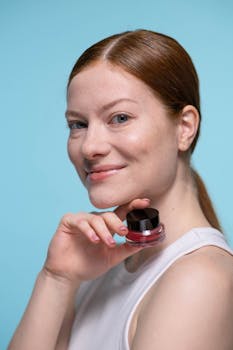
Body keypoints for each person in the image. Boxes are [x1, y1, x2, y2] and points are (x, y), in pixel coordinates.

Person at [8, 29, 233, 350]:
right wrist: (55, 279)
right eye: (78, 124)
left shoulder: (198, 280)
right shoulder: (95, 269)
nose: (90, 147)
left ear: (184, 128)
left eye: (120, 117)